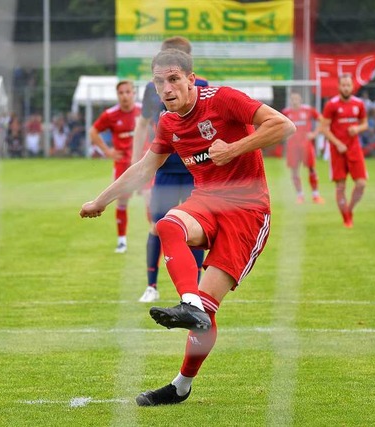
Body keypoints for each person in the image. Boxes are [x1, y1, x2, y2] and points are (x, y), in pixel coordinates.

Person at [80, 49, 295, 406]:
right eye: (159, 82)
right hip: (208, 201)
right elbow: (144, 168)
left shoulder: (224, 99)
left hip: (248, 211)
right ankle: (188, 301)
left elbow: (283, 125)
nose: (167, 88)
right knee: (168, 224)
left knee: (207, 315)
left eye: (174, 79)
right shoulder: (168, 122)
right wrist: (100, 201)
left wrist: (234, 148)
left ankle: (181, 385)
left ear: (192, 79)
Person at [132, 36, 207, 303]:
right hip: (164, 169)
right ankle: (151, 286)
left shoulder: (204, 88)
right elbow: (142, 126)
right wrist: (136, 168)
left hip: (194, 171)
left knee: (195, 231)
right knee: (157, 226)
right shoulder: (152, 90)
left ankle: (193, 291)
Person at [89, 80, 141, 253]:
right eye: (121, 93)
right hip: (122, 165)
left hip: (142, 164)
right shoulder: (110, 114)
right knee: (122, 201)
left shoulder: (143, 112)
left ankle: (156, 237)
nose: (125, 95)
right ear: (117, 95)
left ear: (133, 93)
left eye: (128, 92)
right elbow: (93, 132)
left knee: (152, 199)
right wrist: (107, 151)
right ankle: (121, 241)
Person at [320, 73, 368, 228]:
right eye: (343, 85)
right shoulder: (331, 105)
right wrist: (338, 143)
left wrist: (358, 128)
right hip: (337, 151)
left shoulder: (359, 104)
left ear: (352, 86)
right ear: (339, 86)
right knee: (341, 186)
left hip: (354, 149)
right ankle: (346, 217)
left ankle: (350, 209)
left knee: (361, 184)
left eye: (349, 85)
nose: (346, 87)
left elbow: (365, 124)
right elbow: (324, 129)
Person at [281, 92, 325, 204]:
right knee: (294, 171)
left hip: (306, 145)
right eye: (293, 99)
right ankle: (300, 195)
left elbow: (322, 120)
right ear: (290, 100)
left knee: (311, 169)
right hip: (292, 146)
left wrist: (314, 134)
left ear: (300, 100)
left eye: (297, 99)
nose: (295, 101)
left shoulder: (308, 110)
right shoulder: (286, 112)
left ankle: (316, 195)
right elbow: (279, 125)